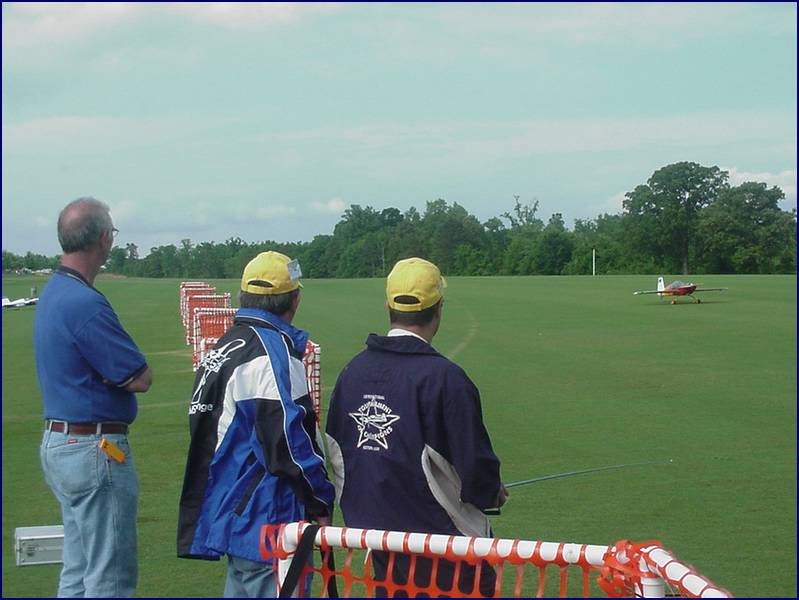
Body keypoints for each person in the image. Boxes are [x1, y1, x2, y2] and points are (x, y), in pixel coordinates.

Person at [325, 257, 507, 598]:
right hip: (450, 556)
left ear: (388, 306)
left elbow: (339, 456)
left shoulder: (352, 372)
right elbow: (476, 469)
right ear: (438, 308)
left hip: (383, 547)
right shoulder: (446, 379)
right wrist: (491, 490)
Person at [178, 251, 335, 598]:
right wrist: (321, 501)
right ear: (294, 300)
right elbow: (289, 446)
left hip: (234, 515)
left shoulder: (225, 346)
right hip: (267, 522)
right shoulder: (271, 354)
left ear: (242, 296)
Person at [34, 197, 153, 597]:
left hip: (60, 444)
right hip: (93, 449)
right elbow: (139, 377)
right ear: (104, 239)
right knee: (109, 577)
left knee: (78, 570)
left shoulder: (54, 292)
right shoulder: (84, 302)